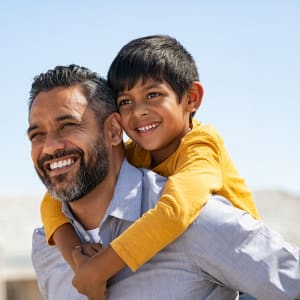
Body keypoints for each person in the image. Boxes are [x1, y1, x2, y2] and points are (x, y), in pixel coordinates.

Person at [29, 64, 300, 300]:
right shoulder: (46, 246)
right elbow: (52, 201)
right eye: (36, 135)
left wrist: (97, 268)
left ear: (113, 130)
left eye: (68, 126)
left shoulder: (198, 220)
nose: (50, 147)